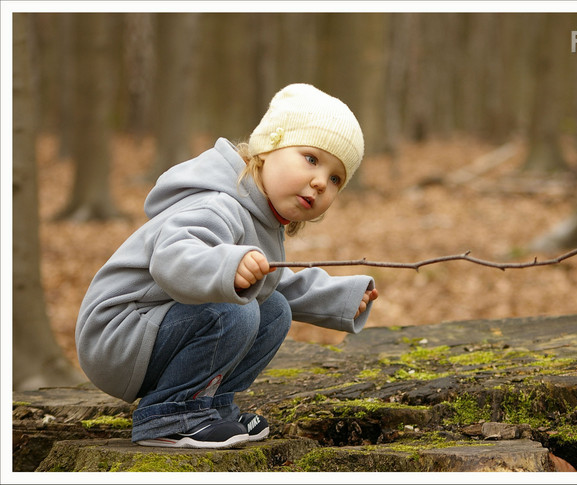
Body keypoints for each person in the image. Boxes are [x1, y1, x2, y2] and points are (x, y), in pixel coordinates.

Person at [75, 83, 379, 449]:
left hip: (154, 332)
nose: (320, 182)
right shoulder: (218, 203)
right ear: (268, 149)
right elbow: (172, 257)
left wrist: (341, 299)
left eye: (335, 179)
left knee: (274, 310)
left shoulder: (260, 218)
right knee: (236, 311)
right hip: (118, 334)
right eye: (311, 159)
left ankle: (212, 407)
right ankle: (171, 416)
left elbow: (274, 284)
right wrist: (228, 267)